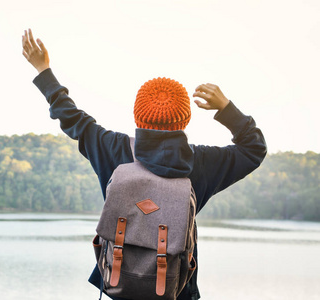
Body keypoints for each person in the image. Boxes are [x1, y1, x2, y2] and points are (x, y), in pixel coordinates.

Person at [22, 28, 267, 300]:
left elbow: (72, 118)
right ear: (184, 120)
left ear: (138, 116)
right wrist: (226, 108)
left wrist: (43, 69)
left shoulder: (113, 150)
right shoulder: (201, 163)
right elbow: (253, 149)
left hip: (119, 286)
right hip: (176, 291)